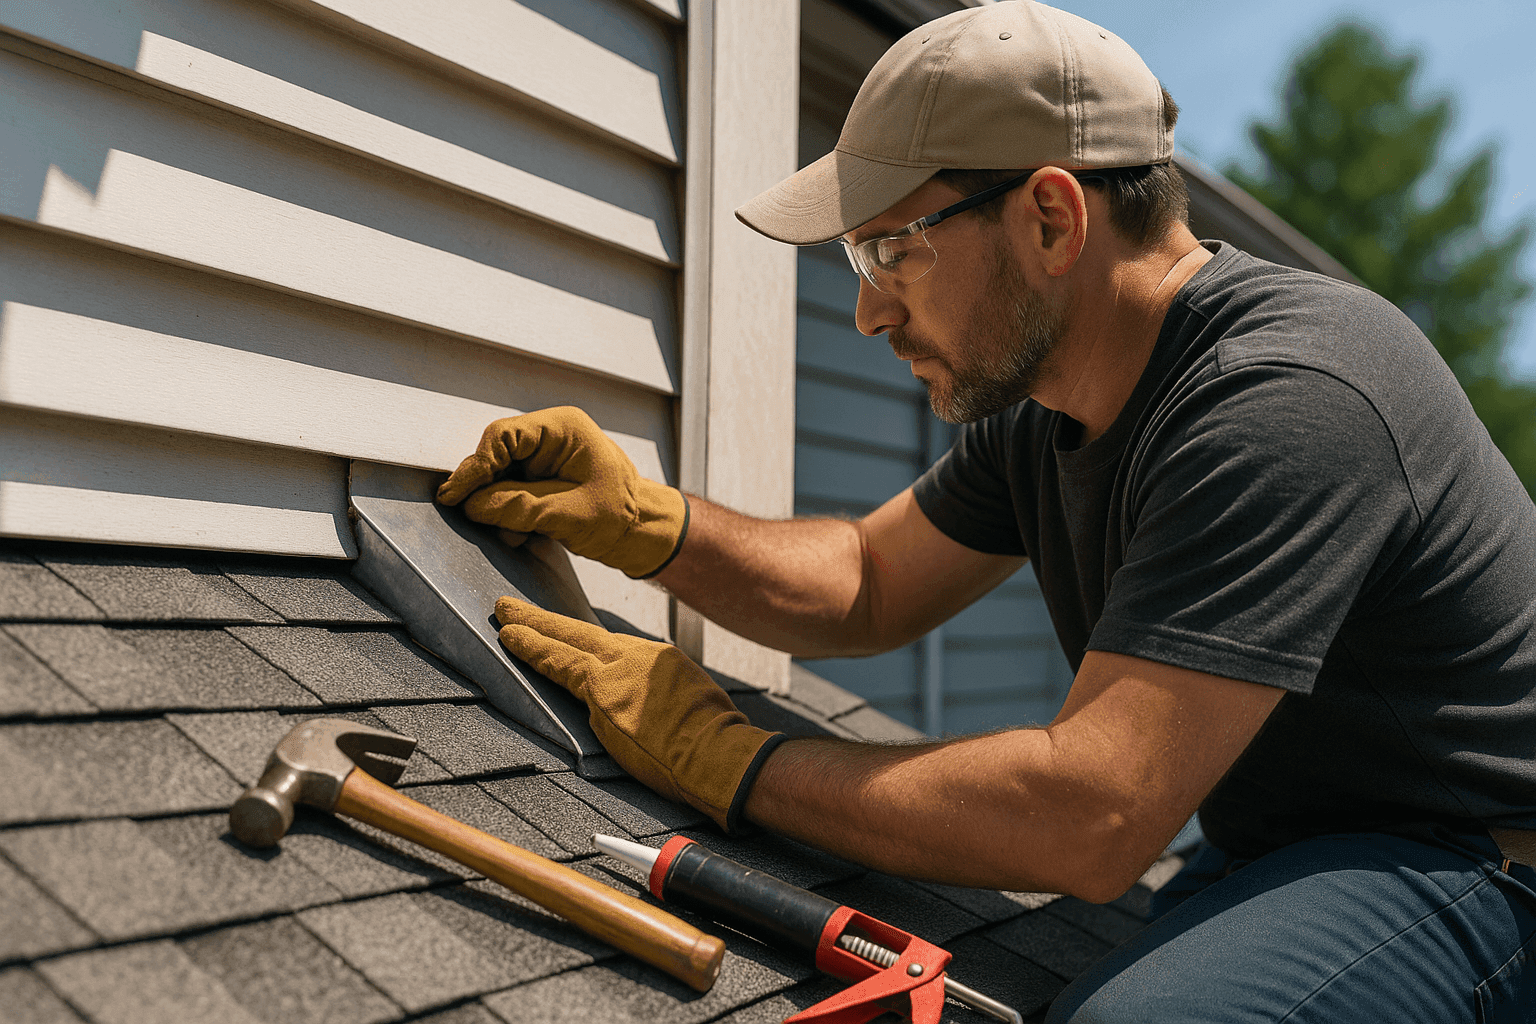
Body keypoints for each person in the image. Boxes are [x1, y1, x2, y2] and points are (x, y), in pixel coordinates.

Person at [437, 3, 1536, 1019]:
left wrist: (733, 761)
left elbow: (1091, 814)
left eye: (888, 248)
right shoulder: (1049, 406)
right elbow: (868, 577)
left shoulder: (1292, 397)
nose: (868, 310)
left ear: (1052, 219)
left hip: (1482, 864)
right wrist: (647, 520)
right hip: (1293, 843)